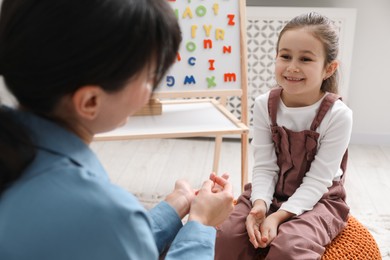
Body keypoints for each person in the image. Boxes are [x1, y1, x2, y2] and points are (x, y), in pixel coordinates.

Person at [0, 0, 235, 259]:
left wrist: (173, 207)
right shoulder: (104, 212)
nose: (151, 90)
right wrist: (201, 224)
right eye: (149, 76)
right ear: (90, 101)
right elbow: (108, 228)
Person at [215, 12, 352, 260]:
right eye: (285, 56)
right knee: (228, 237)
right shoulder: (264, 104)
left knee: (289, 248)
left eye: (306, 59)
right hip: (269, 191)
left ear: (329, 68)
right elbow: (265, 166)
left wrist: (279, 216)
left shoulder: (339, 115)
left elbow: (318, 180)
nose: (292, 67)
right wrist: (260, 206)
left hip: (320, 198)